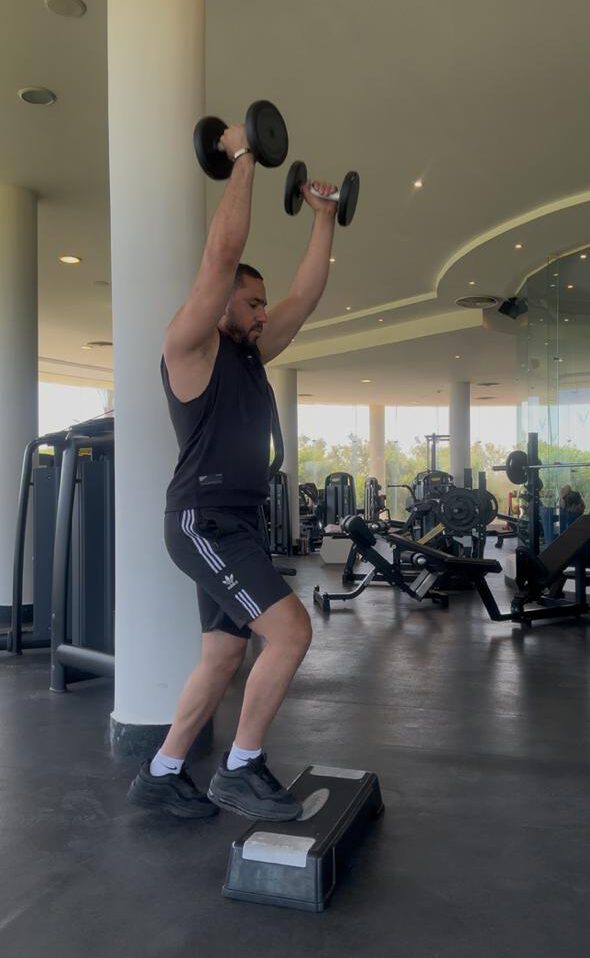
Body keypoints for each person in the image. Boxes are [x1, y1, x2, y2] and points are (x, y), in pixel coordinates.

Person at [127, 122, 337, 822]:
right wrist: (243, 157)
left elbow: (304, 297)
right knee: (292, 631)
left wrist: (323, 218)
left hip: (235, 521)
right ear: (218, 305)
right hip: (204, 520)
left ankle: (162, 773)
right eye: (251, 302)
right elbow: (222, 255)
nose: (263, 312)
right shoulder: (190, 348)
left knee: (223, 656)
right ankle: (240, 768)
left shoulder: (249, 353)